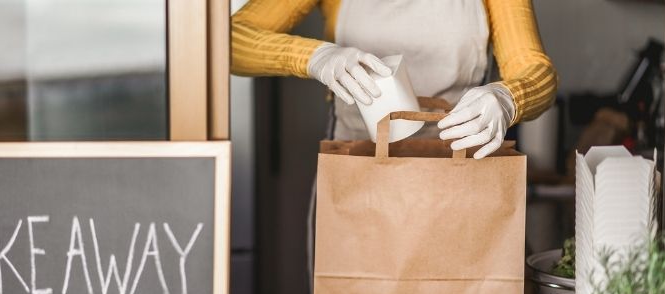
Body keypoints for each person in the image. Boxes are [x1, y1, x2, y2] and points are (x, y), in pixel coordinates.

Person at [231, 0, 557, 159]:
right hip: (357, 160)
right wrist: (314, 57)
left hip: (459, 160)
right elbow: (228, 42)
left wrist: (507, 97)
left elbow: (535, 70)